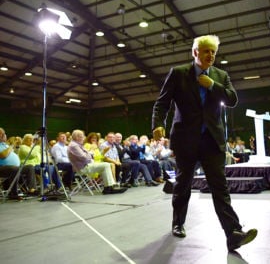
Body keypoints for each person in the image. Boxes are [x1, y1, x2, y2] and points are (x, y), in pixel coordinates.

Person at [152, 34, 257, 251]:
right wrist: (157, 124)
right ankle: (178, 223)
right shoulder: (179, 73)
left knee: (220, 188)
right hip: (185, 141)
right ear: (195, 52)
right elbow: (161, 103)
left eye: (214, 52)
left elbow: (232, 99)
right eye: (207, 51)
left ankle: (233, 234)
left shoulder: (220, 75)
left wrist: (211, 85)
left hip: (212, 141)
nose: (211, 55)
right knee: (183, 185)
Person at [67, 129, 126, 194]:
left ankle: (109, 187)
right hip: (83, 167)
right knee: (106, 165)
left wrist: (92, 154)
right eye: (82, 136)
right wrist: (91, 152)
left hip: (86, 164)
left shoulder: (77, 145)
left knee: (106, 166)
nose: (84, 138)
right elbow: (84, 157)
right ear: (77, 137)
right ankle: (109, 188)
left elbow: (90, 156)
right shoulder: (74, 145)